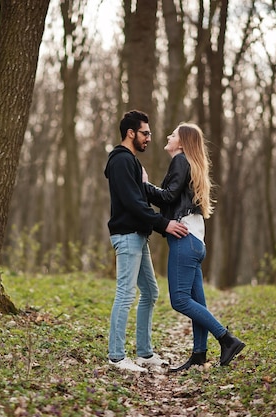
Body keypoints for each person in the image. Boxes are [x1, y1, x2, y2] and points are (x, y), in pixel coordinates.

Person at [144, 122, 245, 371]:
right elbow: (175, 197)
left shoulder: (180, 160)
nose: (168, 136)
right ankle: (199, 355)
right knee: (197, 301)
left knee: (179, 300)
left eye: (173, 134)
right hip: (197, 241)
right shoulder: (191, 164)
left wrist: (144, 185)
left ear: (182, 142)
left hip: (184, 240)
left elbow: (168, 196)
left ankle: (226, 339)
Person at [104, 110, 189, 372]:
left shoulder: (132, 163)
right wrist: (164, 224)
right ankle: (117, 357)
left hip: (139, 236)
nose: (149, 138)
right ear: (131, 133)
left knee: (150, 293)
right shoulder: (120, 161)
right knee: (126, 294)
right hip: (127, 236)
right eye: (145, 133)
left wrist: (146, 186)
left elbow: (141, 198)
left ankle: (144, 354)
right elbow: (133, 204)